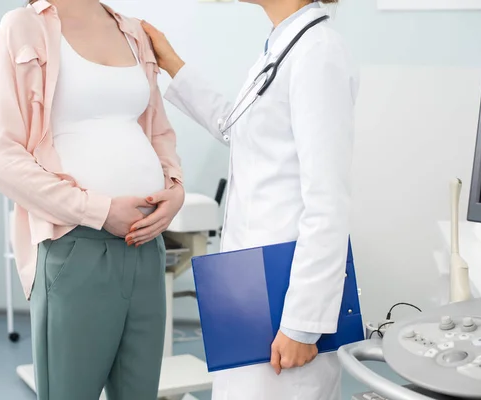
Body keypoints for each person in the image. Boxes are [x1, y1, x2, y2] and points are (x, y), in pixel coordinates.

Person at [134, 0, 358, 398]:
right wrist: (172, 63)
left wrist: (302, 325)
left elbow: (328, 203)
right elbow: (238, 127)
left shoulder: (317, 51)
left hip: (287, 291)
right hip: (251, 277)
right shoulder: (282, 46)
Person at [0, 0, 184, 399]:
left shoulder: (134, 31)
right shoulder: (23, 27)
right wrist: (101, 211)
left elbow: (158, 131)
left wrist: (174, 188)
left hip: (146, 247)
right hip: (76, 247)